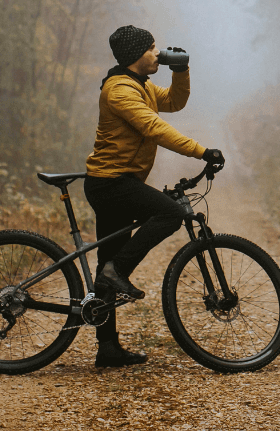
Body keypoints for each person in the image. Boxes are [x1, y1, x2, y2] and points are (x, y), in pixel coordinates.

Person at [84, 24, 224, 369]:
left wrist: (181, 70)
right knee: (170, 214)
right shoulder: (120, 91)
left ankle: (108, 349)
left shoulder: (139, 86)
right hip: (111, 184)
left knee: (107, 263)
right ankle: (117, 272)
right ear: (136, 56)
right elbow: (154, 127)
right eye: (152, 48)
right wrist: (201, 151)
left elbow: (174, 102)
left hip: (119, 182)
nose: (157, 53)